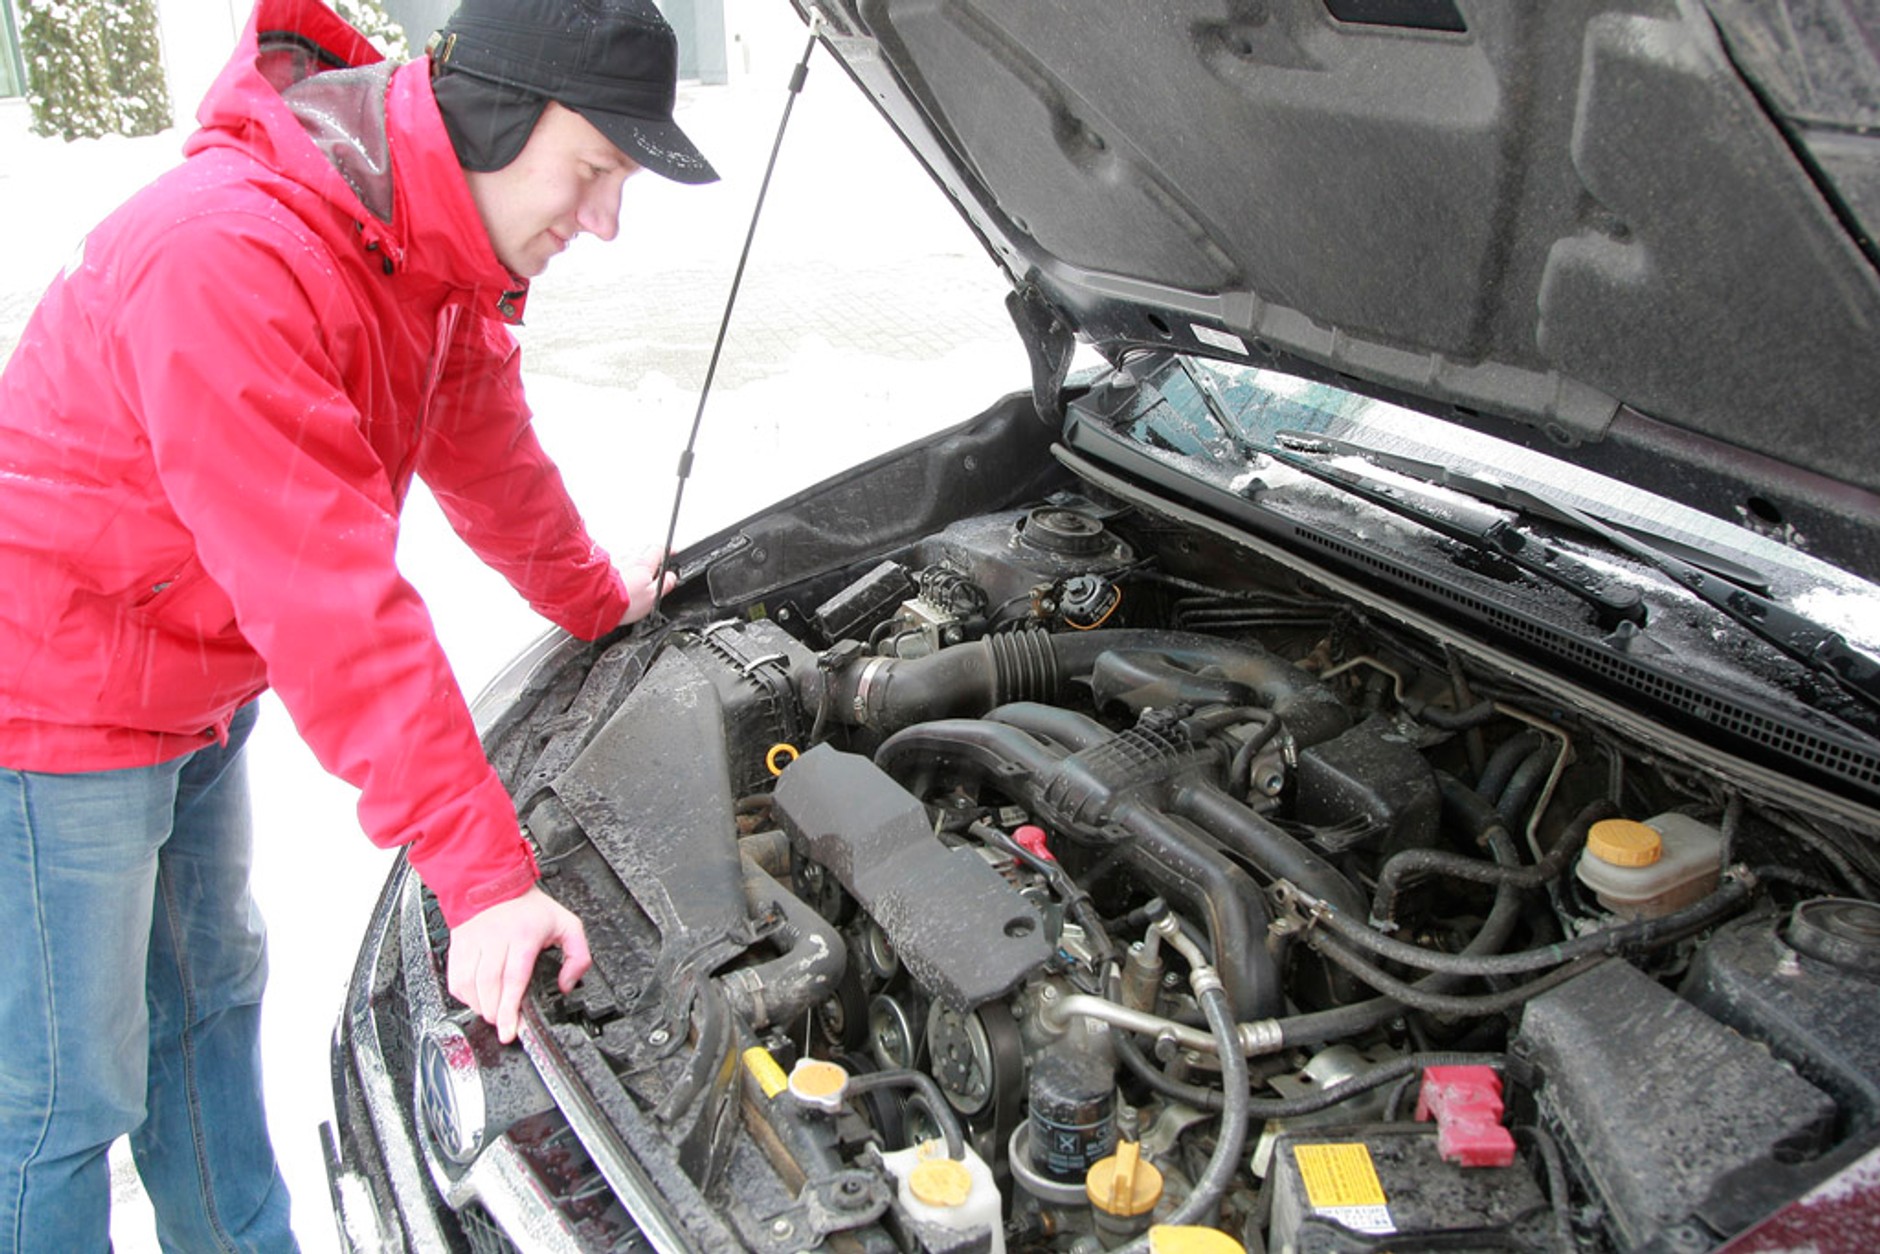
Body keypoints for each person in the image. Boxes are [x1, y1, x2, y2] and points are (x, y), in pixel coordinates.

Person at [0, 0, 715, 1247]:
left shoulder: (424, 250)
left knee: (209, 1006)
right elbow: (326, 598)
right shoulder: (235, 254)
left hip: (194, 682)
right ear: (493, 114)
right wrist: (485, 880)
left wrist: (600, 600)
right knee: (67, 1094)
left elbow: (491, 463)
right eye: (595, 167)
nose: (603, 218)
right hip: (54, 694)